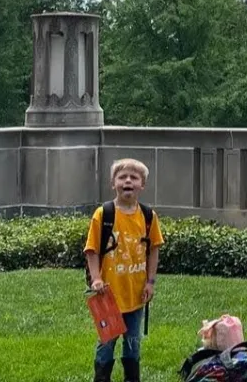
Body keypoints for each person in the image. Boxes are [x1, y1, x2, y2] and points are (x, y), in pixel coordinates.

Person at [84, 158, 165, 382]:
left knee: (133, 342)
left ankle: (132, 377)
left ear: (142, 185)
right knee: (107, 342)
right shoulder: (104, 215)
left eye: (134, 177)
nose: (128, 181)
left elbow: (153, 250)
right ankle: (102, 377)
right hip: (108, 294)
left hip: (136, 294)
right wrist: (96, 279)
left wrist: (150, 282)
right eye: (122, 177)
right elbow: (91, 250)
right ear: (113, 183)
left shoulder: (148, 217)